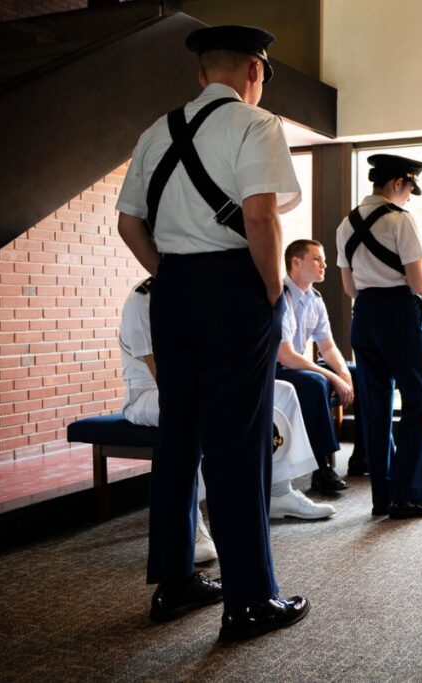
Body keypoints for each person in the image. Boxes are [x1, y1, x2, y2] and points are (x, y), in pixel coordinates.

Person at [116, 25, 309, 641]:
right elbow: (260, 216)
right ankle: (251, 600)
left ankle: (174, 583)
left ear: (202, 75)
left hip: (171, 291)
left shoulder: (155, 130)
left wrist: (172, 277)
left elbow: (128, 224)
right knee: (239, 442)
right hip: (236, 289)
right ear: (256, 72)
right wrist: (272, 291)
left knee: (180, 438)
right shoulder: (258, 125)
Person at [119, 278, 336, 525]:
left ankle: (279, 492)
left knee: (281, 391)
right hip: (149, 393)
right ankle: (190, 519)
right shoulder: (143, 299)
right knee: (190, 407)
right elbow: (164, 378)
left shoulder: (200, 291)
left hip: (203, 387)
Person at [336, 154, 422, 519]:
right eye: (410, 190)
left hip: (364, 316)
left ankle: (382, 497)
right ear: (399, 183)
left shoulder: (346, 223)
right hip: (399, 316)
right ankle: (410, 495)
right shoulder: (400, 220)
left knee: (376, 409)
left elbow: (350, 287)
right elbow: (419, 283)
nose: (409, 198)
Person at [276, 239, 355, 492]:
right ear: (296, 263)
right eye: (317, 259)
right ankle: (321, 469)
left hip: (295, 366)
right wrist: (333, 378)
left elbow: (328, 346)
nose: (325, 264)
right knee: (316, 382)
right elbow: (286, 356)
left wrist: (342, 372)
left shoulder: (315, 299)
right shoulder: (280, 296)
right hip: (274, 370)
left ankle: (364, 457)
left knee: (359, 373)